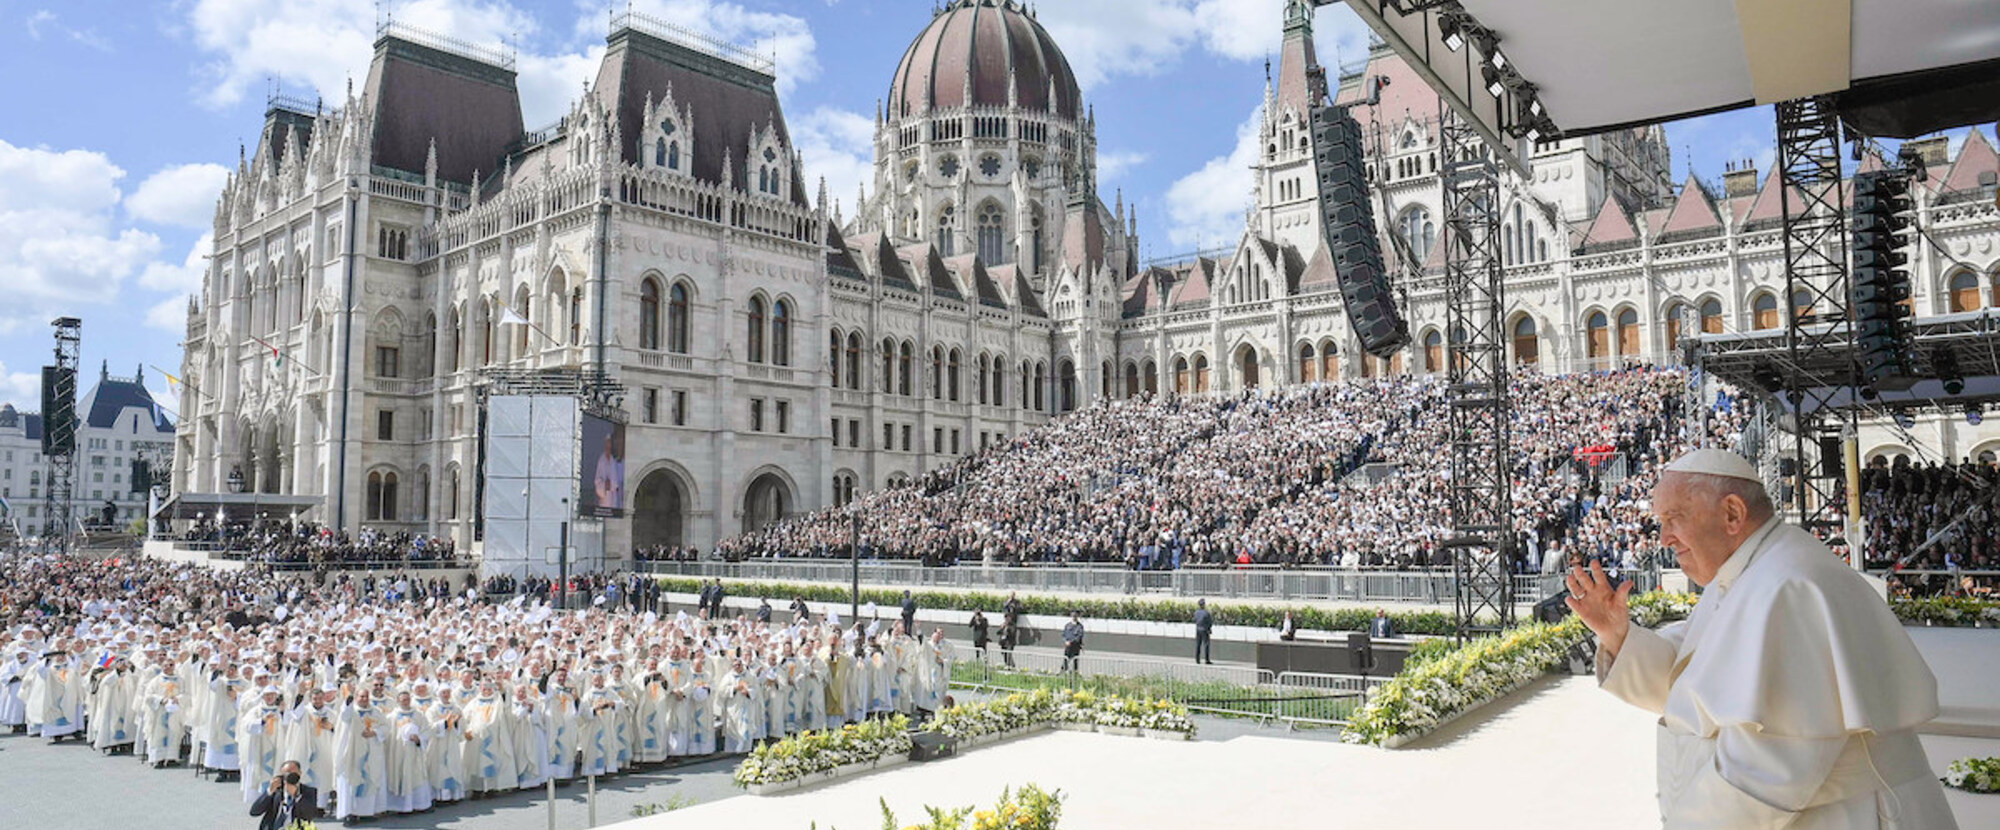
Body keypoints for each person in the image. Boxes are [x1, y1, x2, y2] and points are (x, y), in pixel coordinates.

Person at [1569, 448, 1957, 829]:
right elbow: (1691, 676)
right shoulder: (1749, 570)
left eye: (1674, 518)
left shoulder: (1788, 585)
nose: (1665, 538)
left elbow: (1767, 772)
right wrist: (1618, 635)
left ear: (1733, 513)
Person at [250, 760, 323, 830]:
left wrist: (296, 796)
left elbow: (310, 814)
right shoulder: (276, 790)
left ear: (300, 773)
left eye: (293, 774)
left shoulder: (308, 791)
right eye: (286, 774)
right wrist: (269, 791)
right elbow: (254, 812)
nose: (290, 777)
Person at [1192, 599, 1214, 665]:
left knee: (1198, 644)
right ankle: (1207, 660)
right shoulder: (1206, 613)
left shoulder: (1196, 612)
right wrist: (1209, 629)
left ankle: (1197, 659)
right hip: (1205, 630)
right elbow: (1210, 622)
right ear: (1204, 605)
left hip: (1198, 629)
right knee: (1206, 645)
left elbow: (1195, 620)